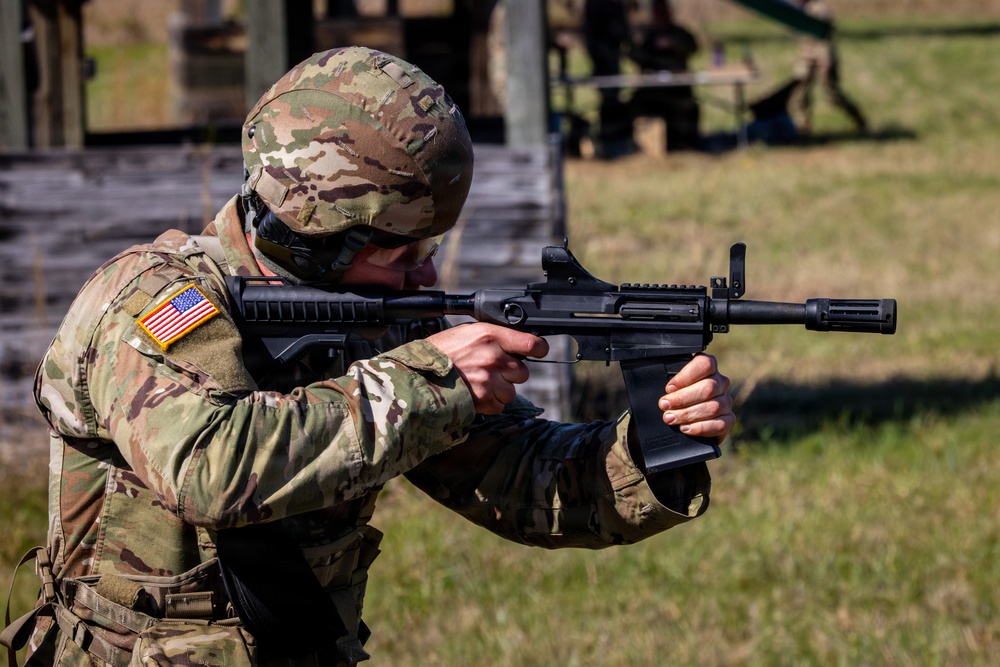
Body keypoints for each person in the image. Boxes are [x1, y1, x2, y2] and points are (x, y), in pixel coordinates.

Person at [12, 46, 733, 666]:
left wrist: (653, 445)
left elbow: (522, 481)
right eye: (407, 252)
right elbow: (208, 468)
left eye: (433, 250)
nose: (428, 276)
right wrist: (437, 379)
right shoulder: (148, 302)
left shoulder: (379, 326)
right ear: (321, 241)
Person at [628, 0, 702, 151]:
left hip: (678, 88)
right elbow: (635, 55)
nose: (660, 15)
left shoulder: (678, 32)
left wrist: (674, 44)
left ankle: (689, 143)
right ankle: (634, 145)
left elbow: (693, 47)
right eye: (657, 12)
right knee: (629, 106)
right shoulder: (647, 35)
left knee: (691, 107)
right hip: (652, 90)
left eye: (663, 11)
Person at [791, 0, 868, 136]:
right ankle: (804, 128)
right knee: (800, 93)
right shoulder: (799, 10)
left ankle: (859, 120)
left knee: (832, 95)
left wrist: (825, 60)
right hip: (806, 55)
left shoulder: (819, 10)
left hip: (823, 55)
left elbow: (825, 35)